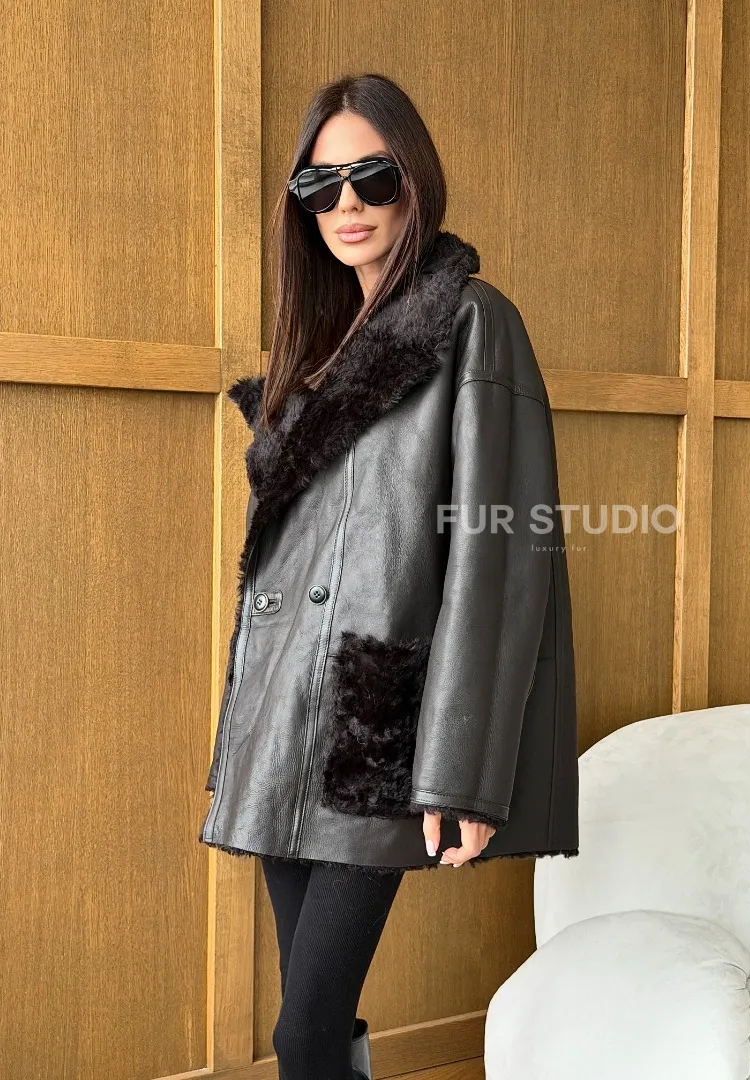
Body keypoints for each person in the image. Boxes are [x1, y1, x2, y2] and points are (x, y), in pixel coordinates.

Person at [198, 72, 579, 1080]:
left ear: (416, 180)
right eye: (318, 185)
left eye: (371, 177)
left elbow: (501, 556)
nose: (347, 204)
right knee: (309, 1021)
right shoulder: (321, 350)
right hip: (285, 717)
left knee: (303, 1031)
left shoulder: (471, 322)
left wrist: (465, 769)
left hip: (381, 723)